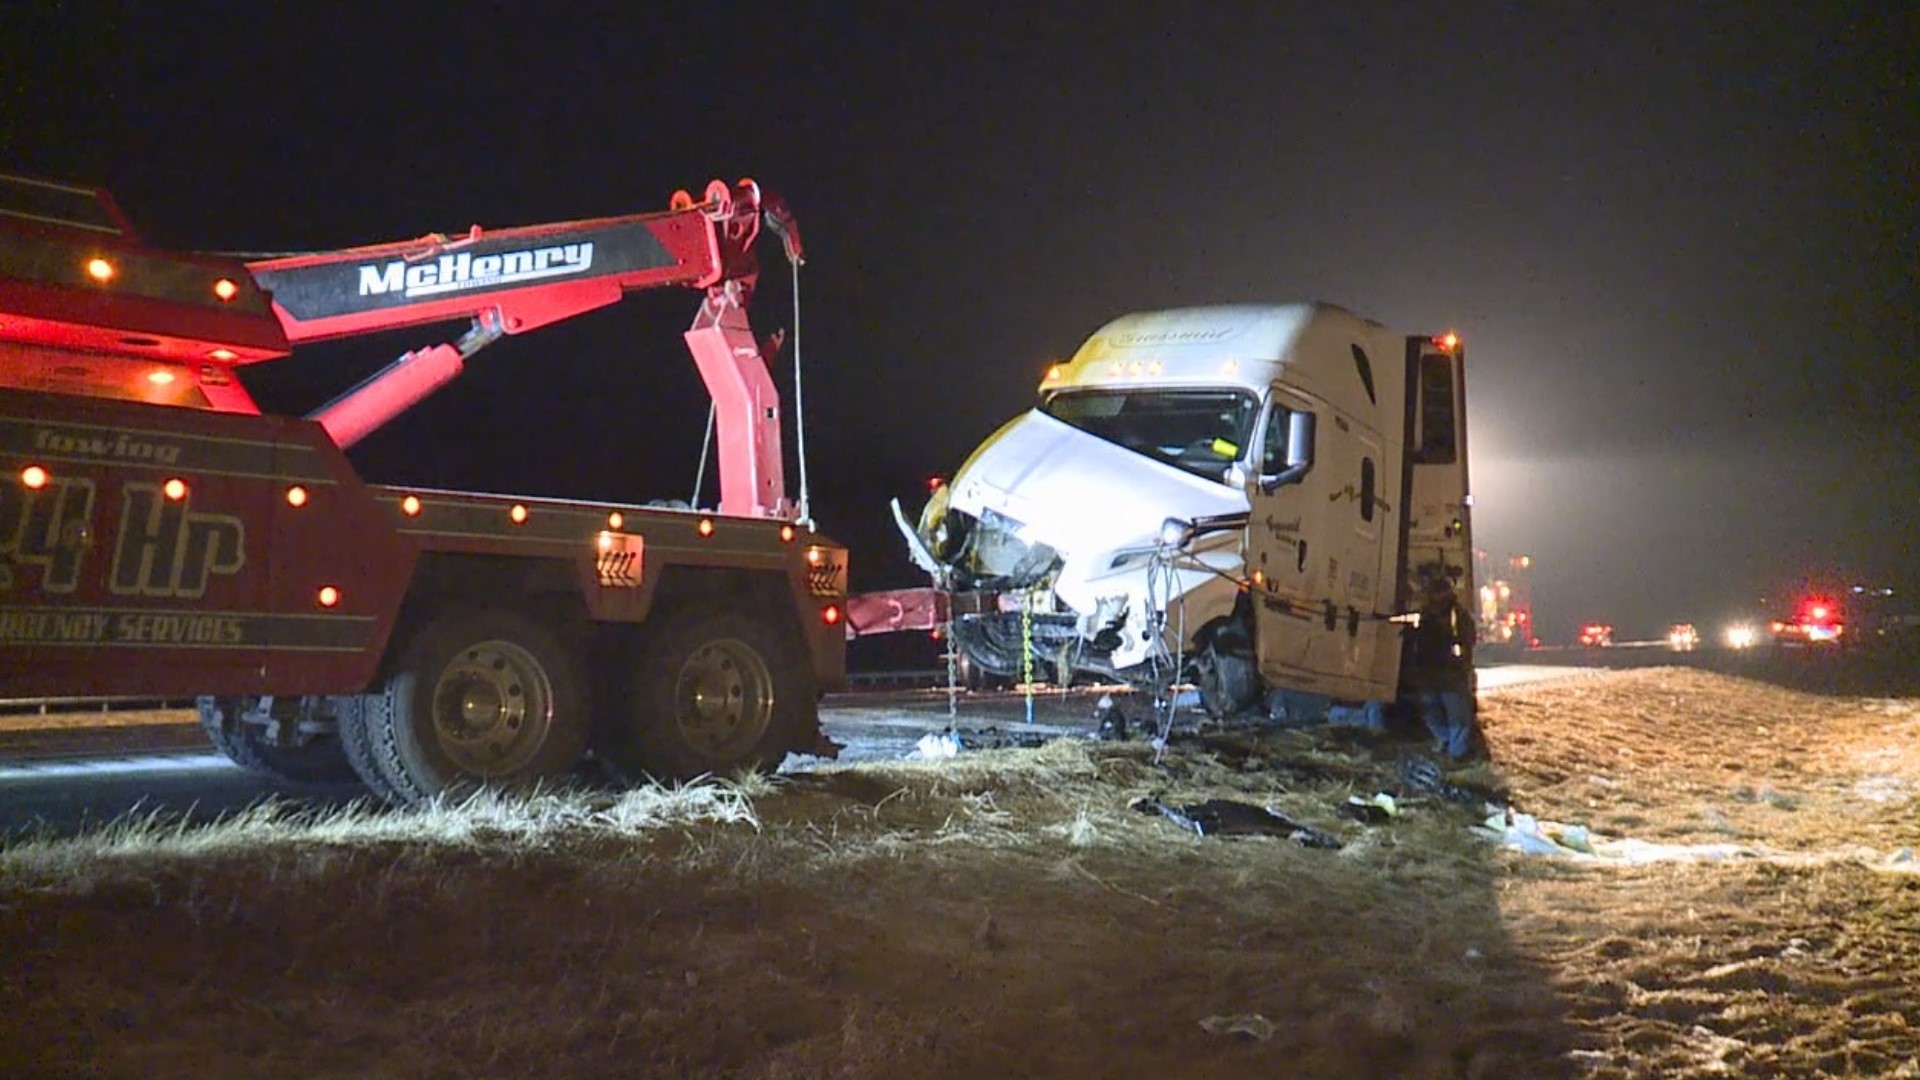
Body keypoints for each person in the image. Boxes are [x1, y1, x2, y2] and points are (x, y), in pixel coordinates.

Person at [1405, 571, 1483, 761]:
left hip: (1446, 676)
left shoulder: (1450, 615)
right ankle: (1452, 749)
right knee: (1447, 716)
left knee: (1452, 718)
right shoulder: (1442, 614)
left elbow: (1466, 640)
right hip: (1440, 676)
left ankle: (1454, 753)